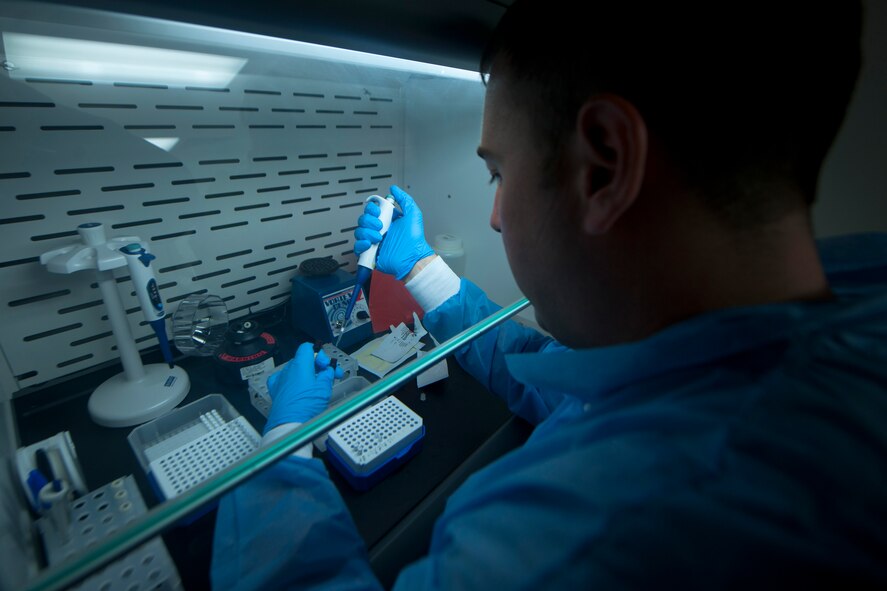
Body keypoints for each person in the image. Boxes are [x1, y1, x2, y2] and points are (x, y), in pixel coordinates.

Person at [212, 0, 887, 588]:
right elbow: (583, 391)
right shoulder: (836, 329)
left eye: (498, 173)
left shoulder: (589, 533)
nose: (496, 215)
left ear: (606, 164)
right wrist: (420, 269)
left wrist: (283, 448)